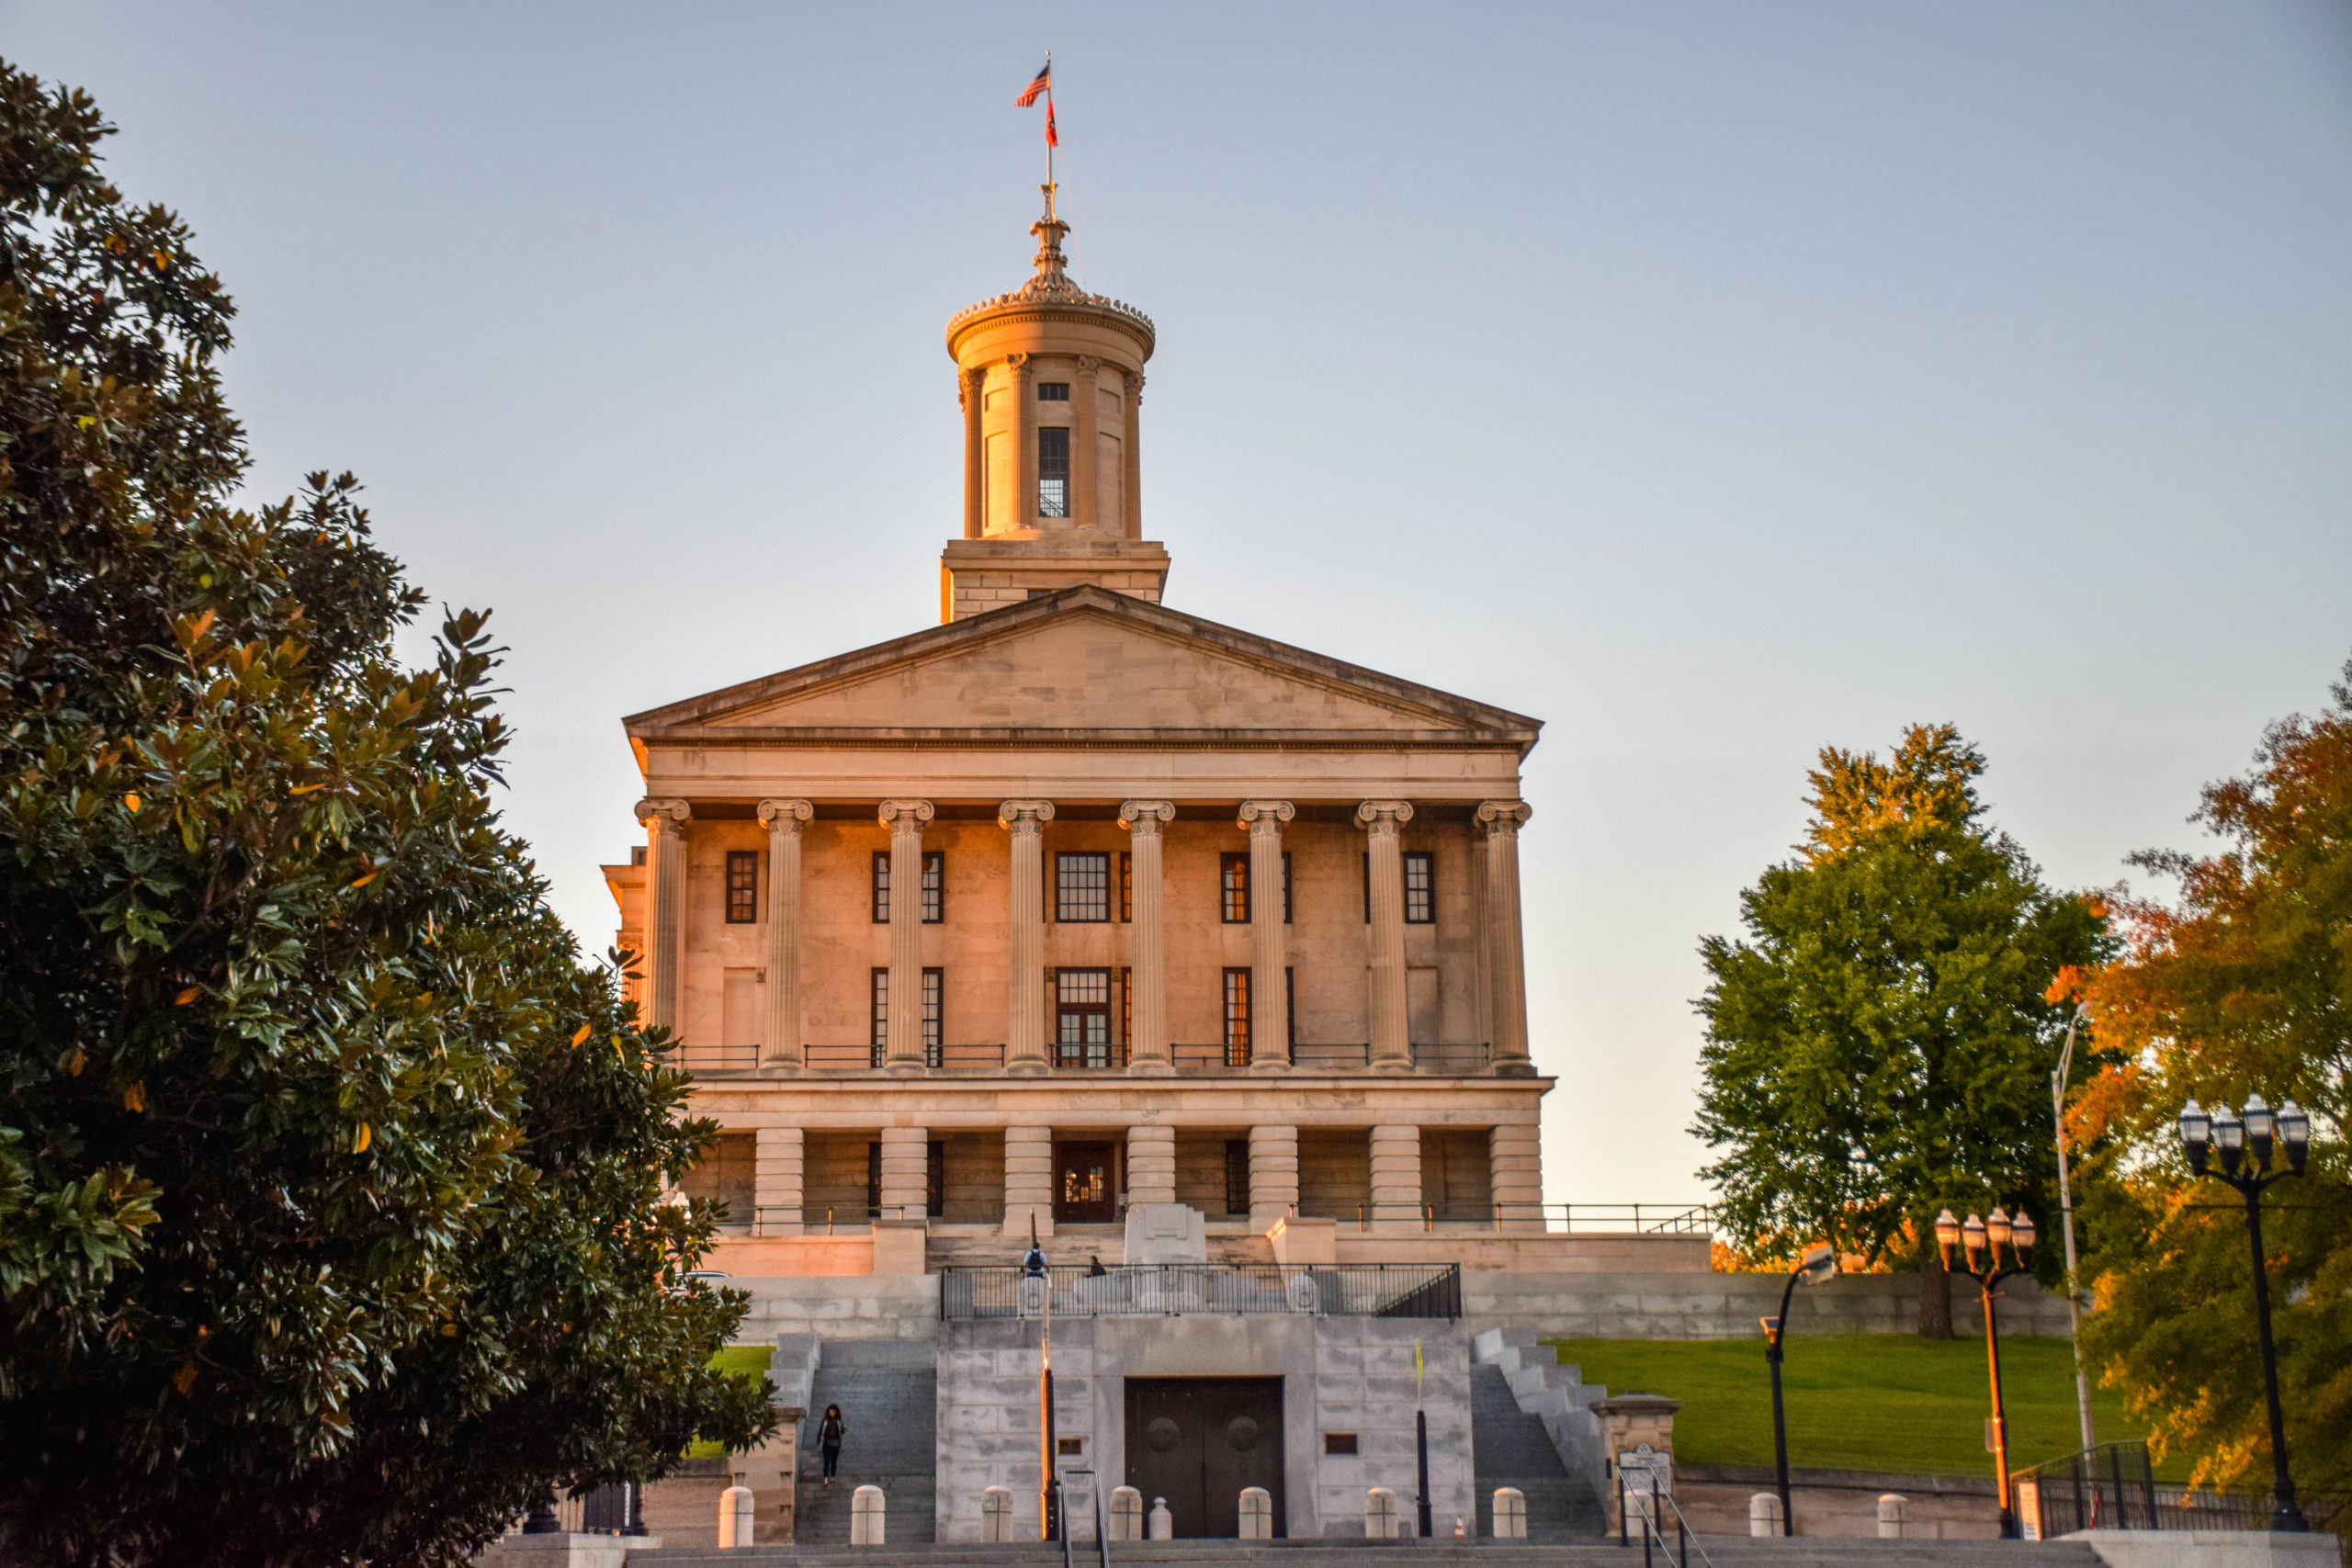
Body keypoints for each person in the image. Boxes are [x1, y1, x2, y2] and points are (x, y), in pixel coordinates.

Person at [818, 1404, 845, 1485]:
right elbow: (821, 1430)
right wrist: (819, 1441)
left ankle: (832, 1476)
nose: (832, 1413)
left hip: (835, 1443)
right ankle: (826, 1478)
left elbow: (841, 1432)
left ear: (836, 1412)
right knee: (826, 1461)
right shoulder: (825, 1420)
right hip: (826, 1443)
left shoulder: (839, 1420)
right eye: (831, 1411)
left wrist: (843, 1429)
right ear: (828, 1412)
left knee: (834, 1461)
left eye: (834, 1411)